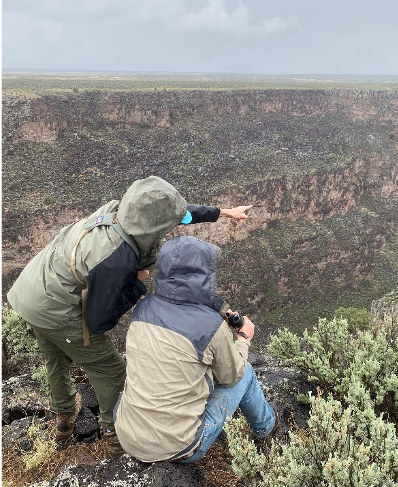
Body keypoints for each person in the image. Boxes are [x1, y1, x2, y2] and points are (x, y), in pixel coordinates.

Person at [6, 176, 252, 452]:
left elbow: (173, 214)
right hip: (56, 308)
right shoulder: (117, 260)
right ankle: (114, 434)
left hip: (31, 291)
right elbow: (98, 322)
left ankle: (64, 416)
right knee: (111, 372)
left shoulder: (117, 212)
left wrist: (221, 213)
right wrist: (137, 282)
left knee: (55, 358)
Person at [114, 235, 276, 463]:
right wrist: (243, 337)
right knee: (246, 373)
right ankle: (268, 431)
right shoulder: (211, 327)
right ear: (204, 276)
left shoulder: (142, 309)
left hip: (128, 437)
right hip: (180, 447)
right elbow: (231, 376)